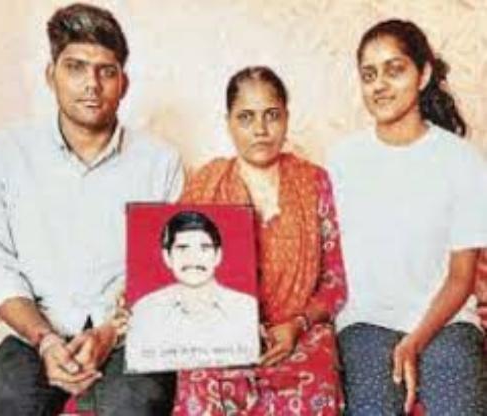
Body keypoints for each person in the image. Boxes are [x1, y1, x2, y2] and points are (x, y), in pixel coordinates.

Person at [0, 3, 182, 415]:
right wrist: (45, 340)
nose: (91, 84)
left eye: (106, 71)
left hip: (129, 336)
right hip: (34, 332)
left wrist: (110, 332)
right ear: (50, 75)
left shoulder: (160, 162)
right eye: (75, 67)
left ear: (124, 83)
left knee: (135, 406)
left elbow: (166, 269)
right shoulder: (5, 153)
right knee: (0, 401)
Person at [328, 19, 487, 416]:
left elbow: (462, 277)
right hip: (365, 322)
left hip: (448, 320)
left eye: (394, 70)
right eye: (369, 75)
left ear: (424, 75)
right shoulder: (342, 160)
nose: (380, 85)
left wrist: (416, 340)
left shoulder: (462, 160)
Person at [174, 66, 347, 415]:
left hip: (298, 333)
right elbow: (178, 276)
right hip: (220, 336)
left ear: (286, 118)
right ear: (228, 123)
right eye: (246, 117)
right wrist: (228, 325)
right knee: (201, 383)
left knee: (316, 384)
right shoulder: (206, 184)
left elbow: (335, 280)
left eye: (271, 115)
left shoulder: (314, 183)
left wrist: (297, 325)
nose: (260, 130)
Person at [127, 210, 259, 372]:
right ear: (167, 257)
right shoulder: (146, 310)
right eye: (183, 248)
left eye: (204, 248)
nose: (194, 258)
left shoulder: (246, 309)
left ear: (218, 255)